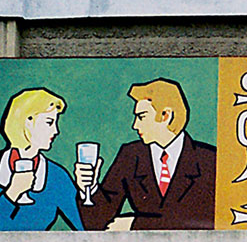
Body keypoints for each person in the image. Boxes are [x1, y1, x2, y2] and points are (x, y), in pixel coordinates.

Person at [73, 78, 217, 230]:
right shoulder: (131, 155)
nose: (135, 125)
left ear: (166, 115)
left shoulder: (209, 160)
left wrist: (136, 224)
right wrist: (89, 188)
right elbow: (98, 223)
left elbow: (208, 223)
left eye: (141, 117)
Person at [0, 88, 82, 231]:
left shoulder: (57, 176)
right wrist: (12, 193)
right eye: (49, 122)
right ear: (28, 121)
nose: (56, 131)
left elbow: (85, 227)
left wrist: (86, 188)